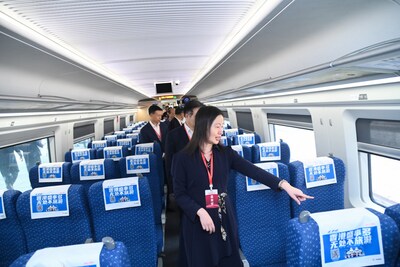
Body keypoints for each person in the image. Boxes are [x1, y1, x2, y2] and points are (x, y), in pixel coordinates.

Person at [172, 106, 313, 267]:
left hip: (223, 216)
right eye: (217, 126)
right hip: (198, 221)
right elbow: (180, 194)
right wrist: (200, 211)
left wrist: (285, 185)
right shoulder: (182, 158)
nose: (221, 131)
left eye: (222, 126)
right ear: (204, 125)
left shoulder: (226, 154)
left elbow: (253, 170)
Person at [165, 100, 204, 202]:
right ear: (187, 115)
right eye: (198, 116)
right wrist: (172, 189)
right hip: (184, 185)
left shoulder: (205, 134)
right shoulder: (173, 135)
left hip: (204, 183)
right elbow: (169, 163)